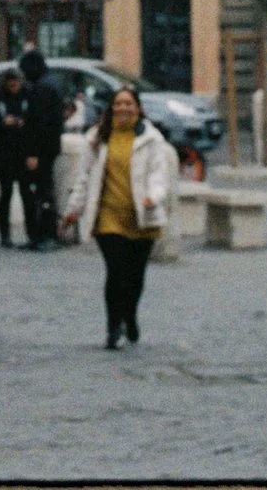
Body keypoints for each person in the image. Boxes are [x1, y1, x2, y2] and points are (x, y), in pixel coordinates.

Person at [58, 86, 177, 349]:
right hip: (107, 216)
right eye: (118, 104)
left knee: (135, 276)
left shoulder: (151, 139)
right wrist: (72, 212)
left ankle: (130, 315)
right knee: (116, 271)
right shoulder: (97, 138)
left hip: (140, 216)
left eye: (128, 103)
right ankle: (113, 328)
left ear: (138, 107)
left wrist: (153, 197)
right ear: (111, 108)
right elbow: (84, 177)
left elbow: (160, 175)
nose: (123, 108)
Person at [16, 48, 67, 250]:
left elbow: (40, 124)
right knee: (44, 191)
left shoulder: (42, 88)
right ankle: (45, 234)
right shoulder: (50, 84)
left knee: (41, 192)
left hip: (41, 150)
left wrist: (33, 153)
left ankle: (44, 234)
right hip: (50, 147)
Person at [0, 68, 34, 246]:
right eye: (10, 83)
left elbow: (35, 121)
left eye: (16, 83)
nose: (13, 86)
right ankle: (4, 234)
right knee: (6, 193)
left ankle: (31, 232)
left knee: (27, 193)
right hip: (4, 154)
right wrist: (3, 123)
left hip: (23, 151)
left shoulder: (28, 97)